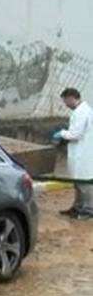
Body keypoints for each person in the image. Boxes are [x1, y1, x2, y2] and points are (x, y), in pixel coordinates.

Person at [54, 88, 93, 219]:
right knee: (77, 182)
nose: (65, 105)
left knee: (84, 183)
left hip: (83, 154)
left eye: (66, 101)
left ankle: (88, 210)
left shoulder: (82, 112)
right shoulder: (81, 110)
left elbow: (76, 134)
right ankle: (77, 207)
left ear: (71, 98)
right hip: (79, 152)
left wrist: (62, 133)